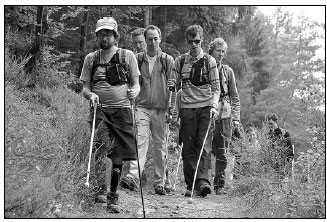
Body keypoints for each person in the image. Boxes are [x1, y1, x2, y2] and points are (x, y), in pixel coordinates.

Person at [79, 17, 140, 213]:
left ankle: (113, 196)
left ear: (115, 36)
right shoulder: (91, 59)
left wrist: (134, 92)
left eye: (108, 33)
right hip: (100, 110)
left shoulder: (127, 56)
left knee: (118, 155)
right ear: (97, 36)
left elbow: (136, 83)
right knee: (100, 149)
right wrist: (91, 95)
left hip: (122, 111)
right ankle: (99, 191)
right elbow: (85, 88)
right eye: (101, 34)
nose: (104, 37)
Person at [119, 25, 175, 195]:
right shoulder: (137, 59)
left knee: (160, 146)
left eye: (155, 38)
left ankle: (160, 182)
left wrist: (171, 110)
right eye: (149, 39)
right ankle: (133, 176)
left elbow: (173, 87)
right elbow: (131, 82)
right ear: (145, 40)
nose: (152, 42)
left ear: (160, 39)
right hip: (141, 106)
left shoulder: (167, 60)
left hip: (161, 109)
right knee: (140, 142)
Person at [168, 25, 220, 197]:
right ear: (187, 42)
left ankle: (203, 181)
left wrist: (213, 105)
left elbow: (216, 88)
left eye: (197, 41)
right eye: (190, 42)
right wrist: (172, 84)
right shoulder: (180, 61)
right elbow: (174, 84)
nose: (194, 45)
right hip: (187, 108)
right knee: (189, 147)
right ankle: (191, 184)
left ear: (201, 40)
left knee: (204, 144)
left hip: (206, 108)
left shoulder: (209, 61)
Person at [208, 38, 241, 195]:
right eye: (218, 50)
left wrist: (236, 117)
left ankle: (219, 184)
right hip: (207, 112)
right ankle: (203, 181)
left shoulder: (228, 71)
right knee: (206, 148)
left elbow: (235, 96)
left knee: (222, 151)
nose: (220, 54)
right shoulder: (205, 67)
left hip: (225, 114)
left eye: (223, 51)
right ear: (211, 51)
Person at [266, 113, 294, 179]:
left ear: (276, 122)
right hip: (271, 166)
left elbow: (290, 151)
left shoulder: (285, 133)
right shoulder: (267, 135)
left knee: (283, 185)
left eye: (271, 123)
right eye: (268, 124)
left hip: (283, 165)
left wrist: (287, 166)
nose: (270, 126)